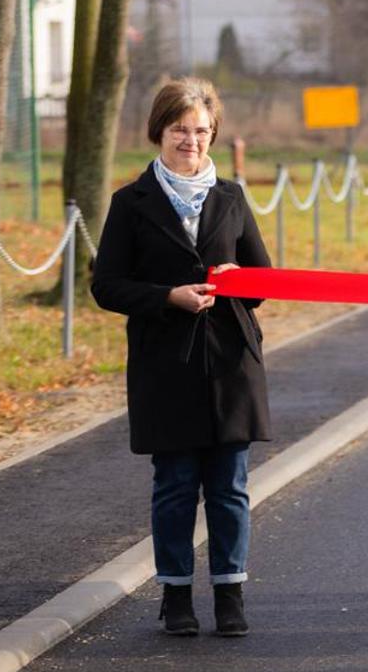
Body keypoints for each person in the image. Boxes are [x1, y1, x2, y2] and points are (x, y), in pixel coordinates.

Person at [92, 77, 271, 638]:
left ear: (213, 133)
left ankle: (229, 594)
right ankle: (174, 596)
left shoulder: (233, 197)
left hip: (230, 363)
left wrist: (240, 282)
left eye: (200, 130)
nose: (190, 141)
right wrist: (166, 296)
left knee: (229, 484)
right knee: (174, 484)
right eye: (179, 130)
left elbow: (262, 279)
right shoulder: (130, 203)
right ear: (159, 132)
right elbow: (107, 286)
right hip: (164, 363)